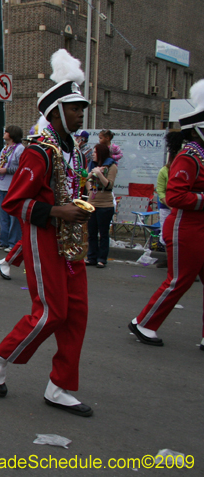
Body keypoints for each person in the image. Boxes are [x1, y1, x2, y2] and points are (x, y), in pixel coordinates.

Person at [0, 49, 94, 417]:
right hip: (43, 237)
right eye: (75, 108)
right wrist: (59, 211)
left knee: (76, 314)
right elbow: (14, 202)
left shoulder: (72, 148)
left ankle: (60, 387)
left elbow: (71, 187)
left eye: (80, 108)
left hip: (71, 242)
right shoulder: (39, 150)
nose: (80, 114)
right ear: (57, 112)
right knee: (51, 313)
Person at [129, 80, 204, 349]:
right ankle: (144, 322)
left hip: (199, 226)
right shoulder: (189, 157)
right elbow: (174, 196)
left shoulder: (201, 156)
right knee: (179, 280)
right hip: (186, 227)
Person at [85, 143, 118, 268]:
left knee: (103, 233)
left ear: (101, 153)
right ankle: (91, 257)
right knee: (91, 232)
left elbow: (108, 185)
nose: (92, 154)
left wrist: (99, 174)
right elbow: (86, 179)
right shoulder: (92, 165)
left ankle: (102, 258)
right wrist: (89, 189)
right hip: (92, 202)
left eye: (95, 152)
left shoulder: (112, 166)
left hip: (105, 203)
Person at [0, 126, 24, 250]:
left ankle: (13, 243)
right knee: (2, 215)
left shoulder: (20, 149)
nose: (4, 133)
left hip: (13, 186)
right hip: (2, 185)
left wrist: (6, 170)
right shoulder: (5, 149)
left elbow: (21, 168)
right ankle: (3, 241)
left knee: (13, 217)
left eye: (6, 132)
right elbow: (2, 163)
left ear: (12, 134)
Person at [155, 132, 185, 264]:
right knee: (167, 234)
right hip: (167, 207)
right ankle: (170, 260)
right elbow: (160, 191)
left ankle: (185, 263)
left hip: (181, 207)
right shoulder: (164, 171)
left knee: (183, 236)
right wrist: (169, 203)